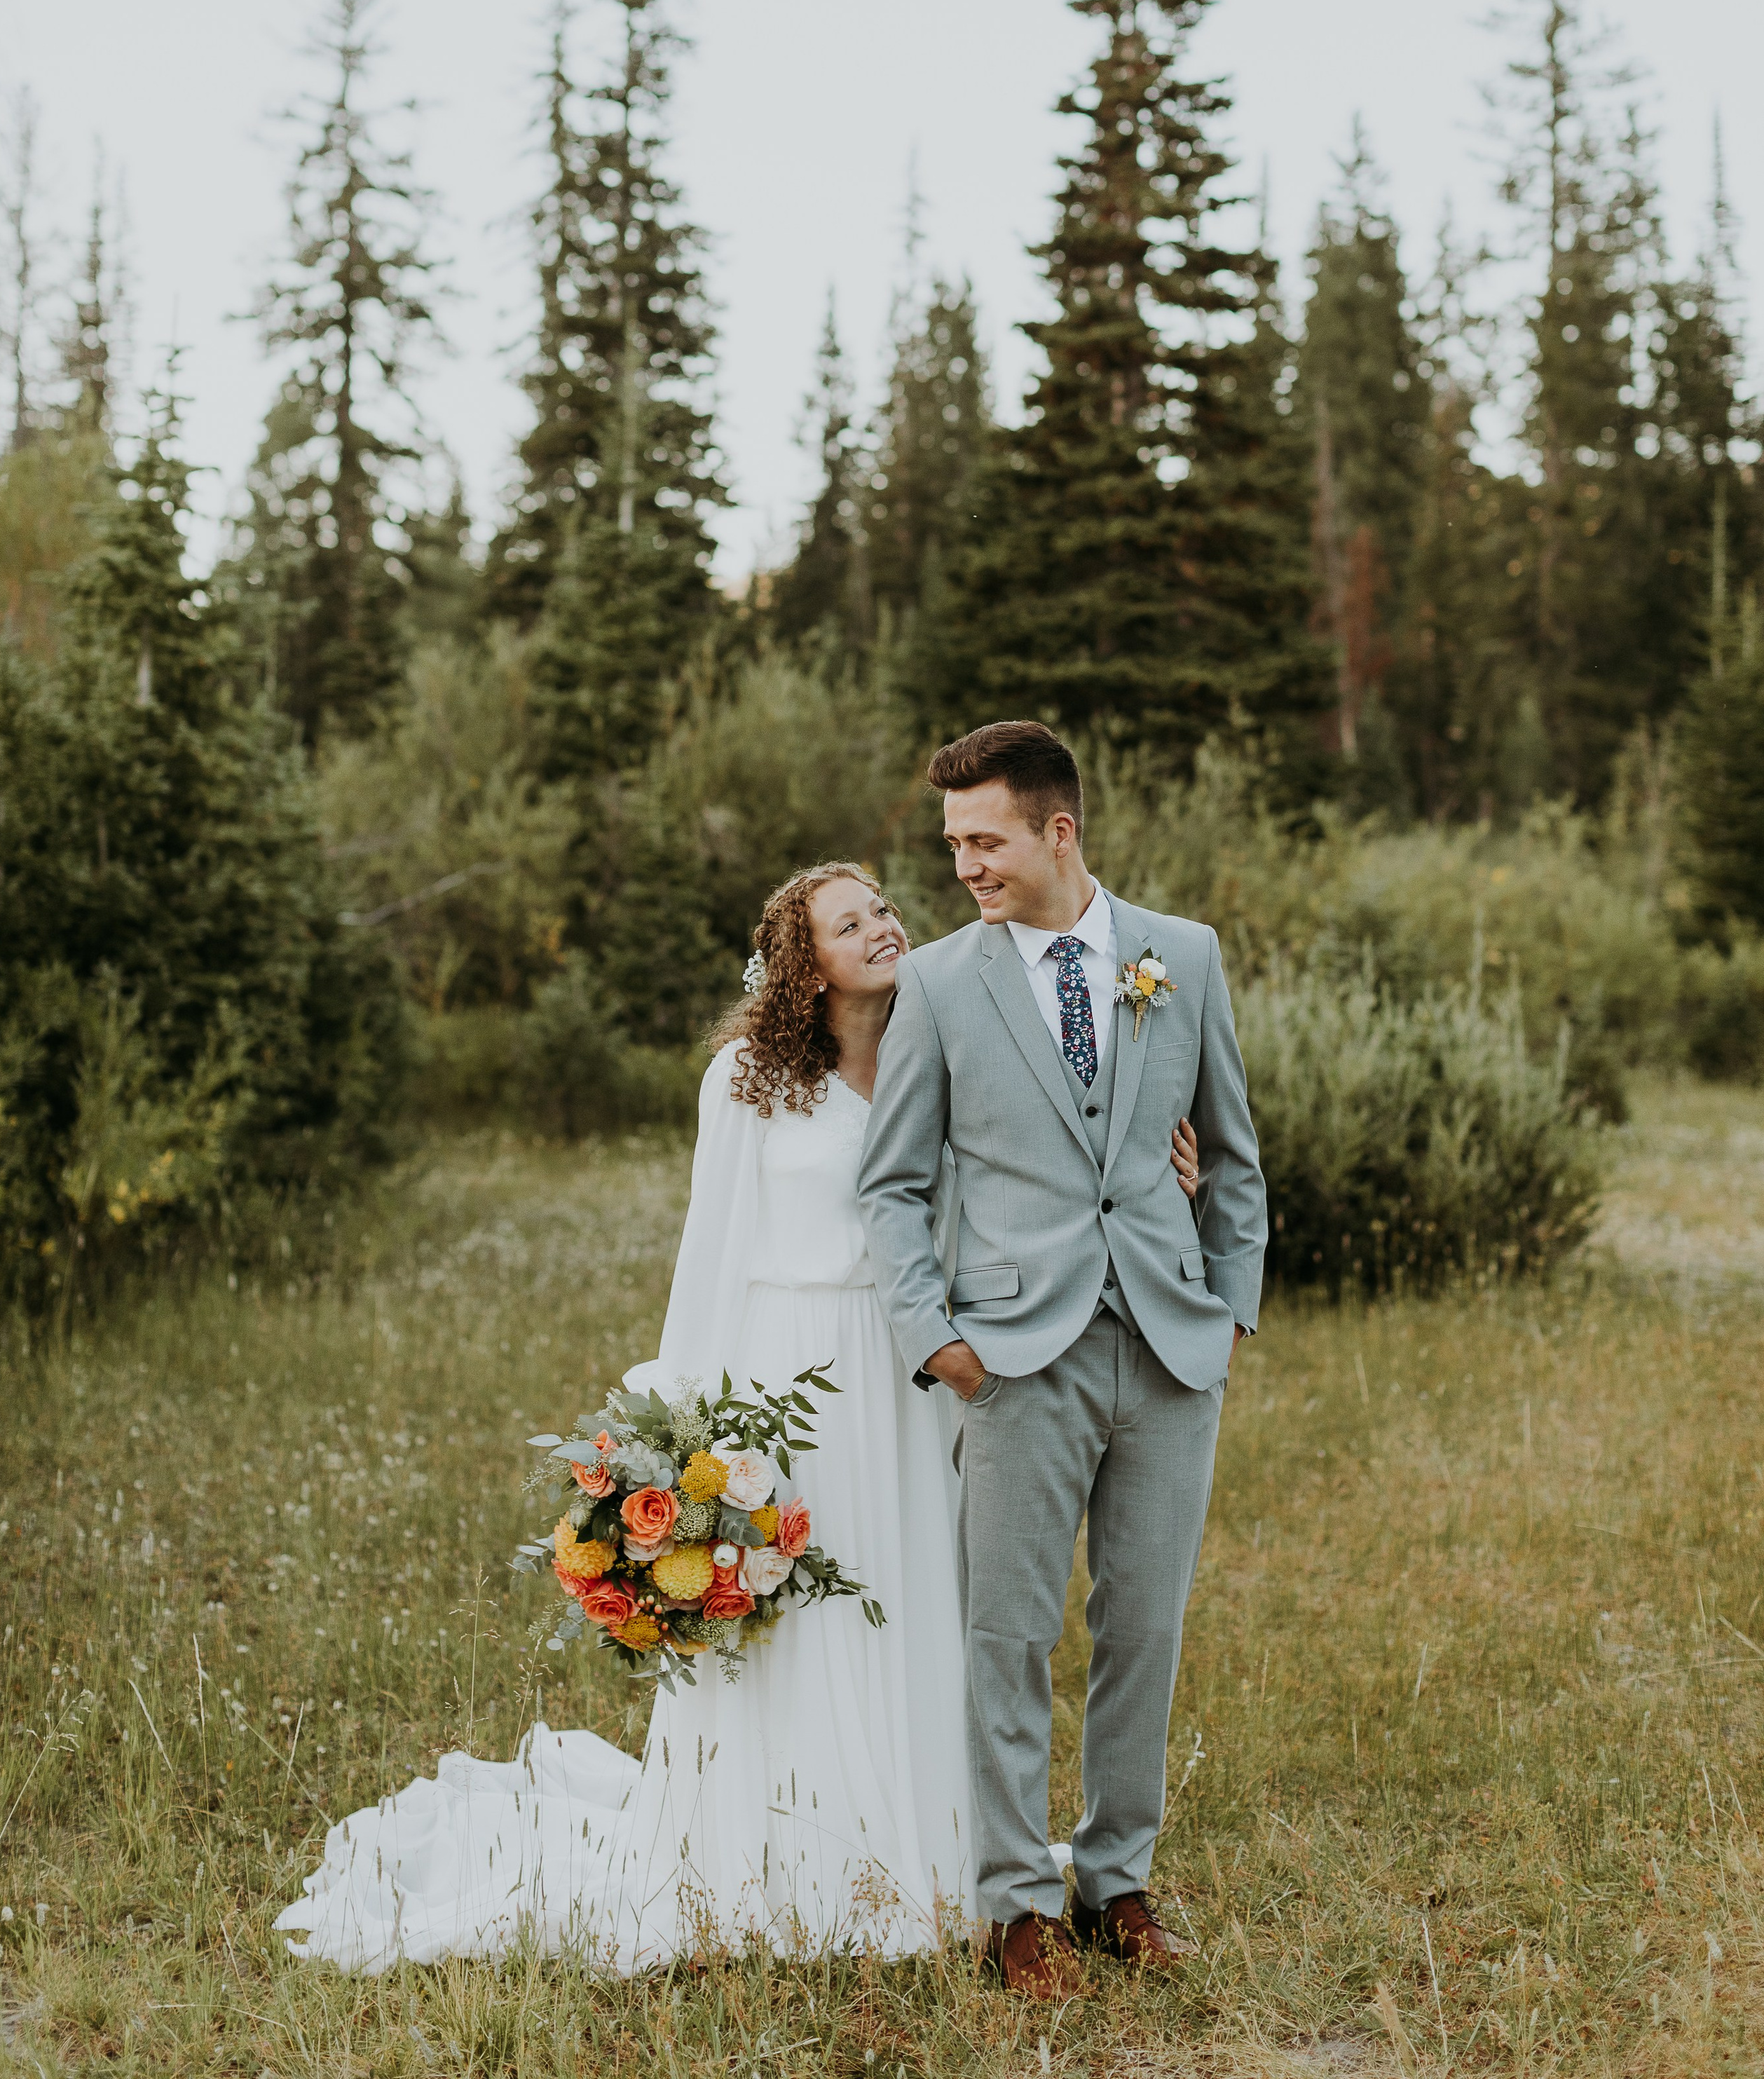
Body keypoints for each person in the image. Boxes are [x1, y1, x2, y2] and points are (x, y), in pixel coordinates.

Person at [277, 861, 1202, 1975]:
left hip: (913, 1375)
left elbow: (1037, 1185)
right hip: (786, 1376)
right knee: (790, 1616)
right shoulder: (746, 1080)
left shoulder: (950, 1051)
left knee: (920, 1605)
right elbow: (707, 1254)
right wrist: (682, 1435)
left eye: (886, 910)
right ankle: (777, 1860)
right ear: (805, 967)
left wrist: (1160, 1181)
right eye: (849, 922)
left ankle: (933, 1856)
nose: (884, 927)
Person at [856, 721, 1266, 2002]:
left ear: (1058, 832)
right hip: (1016, 1359)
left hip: (1168, 1347)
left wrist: (1230, 1308)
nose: (965, 865)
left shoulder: (1181, 958)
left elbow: (1234, 1155)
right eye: (954, 846)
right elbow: (893, 1187)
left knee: (1143, 1624)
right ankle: (1015, 1906)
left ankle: (1118, 1884)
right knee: (1009, 1632)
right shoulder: (934, 984)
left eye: (985, 841)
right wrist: (940, 1341)